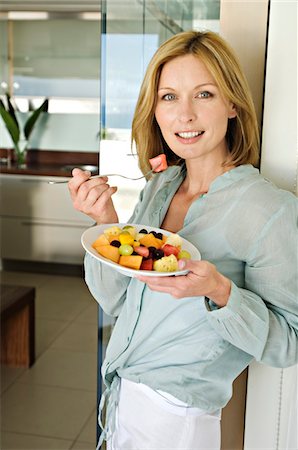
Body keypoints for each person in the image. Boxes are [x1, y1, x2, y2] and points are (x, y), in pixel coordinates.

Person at [68, 30, 298, 450]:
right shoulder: (161, 187)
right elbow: (118, 300)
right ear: (154, 109)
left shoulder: (271, 210)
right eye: (169, 97)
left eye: (204, 95)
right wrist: (104, 220)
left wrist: (219, 291)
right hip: (121, 396)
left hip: (178, 420)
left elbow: (287, 344)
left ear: (232, 104)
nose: (184, 115)